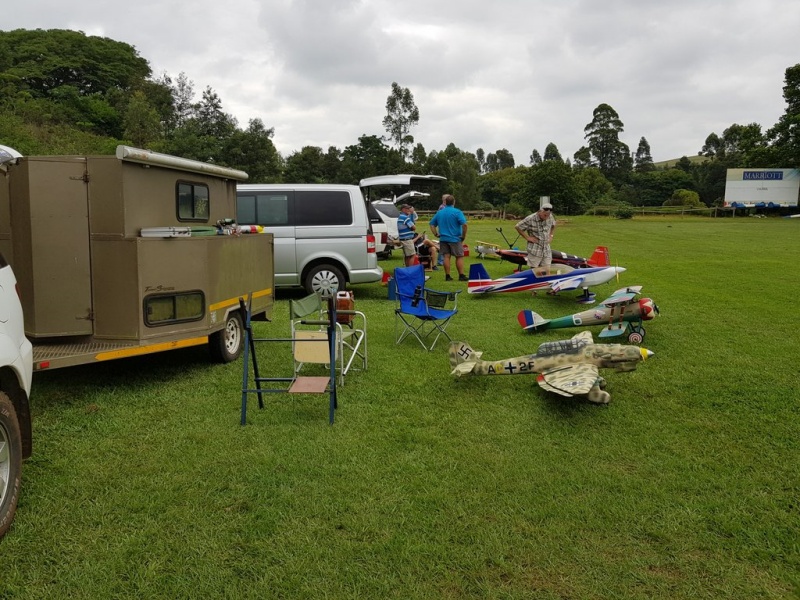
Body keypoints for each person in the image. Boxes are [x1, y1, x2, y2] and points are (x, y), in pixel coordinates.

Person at [429, 194, 468, 281]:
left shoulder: (440, 212)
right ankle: (461, 275)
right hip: (455, 238)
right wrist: (463, 236)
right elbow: (464, 225)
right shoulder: (457, 212)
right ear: (454, 202)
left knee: (446, 256)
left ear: (445, 202)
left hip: (443, 238)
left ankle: (448, 276)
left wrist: (435, 234)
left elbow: (432, 224)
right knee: (459, 256)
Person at [515, 201, 556, 270]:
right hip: (535, 249)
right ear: (540, 211)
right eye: (545, 215)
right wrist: (527, 237)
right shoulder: (530, 218)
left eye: (548, 215)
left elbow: (553, 225)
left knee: (546, 269)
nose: (546, 217)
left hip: (546, 249)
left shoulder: (550, 216)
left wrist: (551, 235)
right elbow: (517, 226)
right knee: (534, 270)